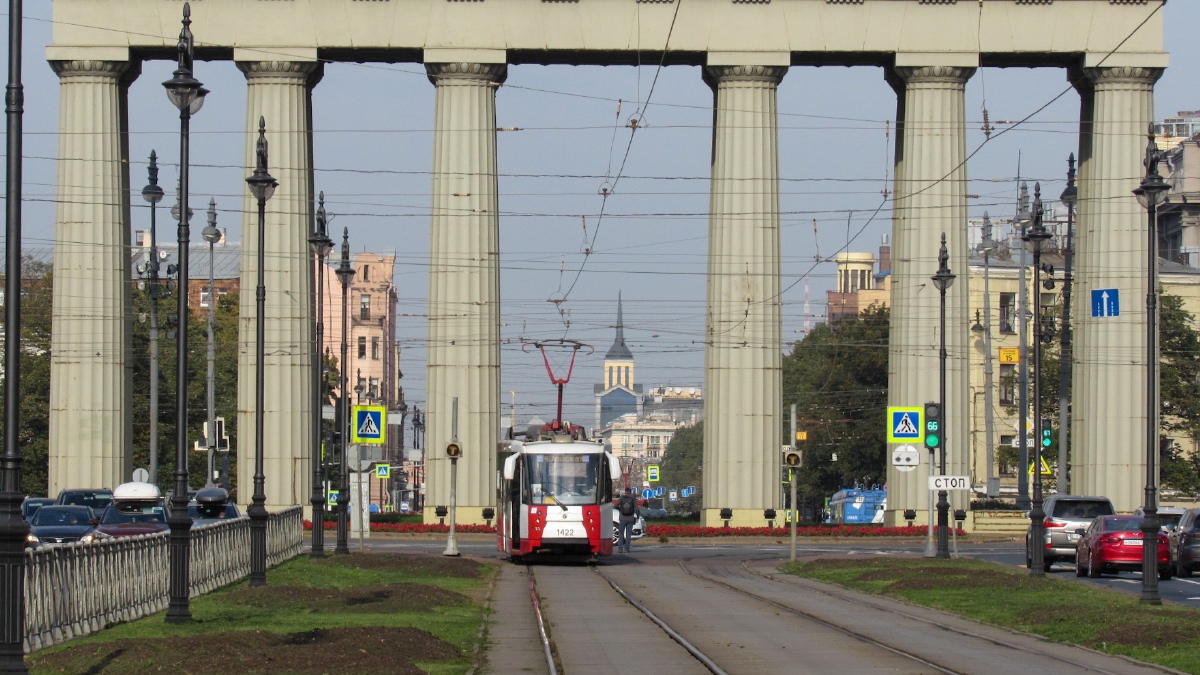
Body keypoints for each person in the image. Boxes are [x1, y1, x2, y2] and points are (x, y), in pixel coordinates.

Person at [616, 488, 640, 554]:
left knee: (620, 533)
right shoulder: (633, 498)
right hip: (630, 518)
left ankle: (620, 548)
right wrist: (637, 516)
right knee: (628, 534)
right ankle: (627, 549)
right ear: (630, 492)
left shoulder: (622, 497)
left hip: (622, 518)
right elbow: (637, 509)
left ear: (625, 492)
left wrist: (620, 510)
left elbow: (615, 505)